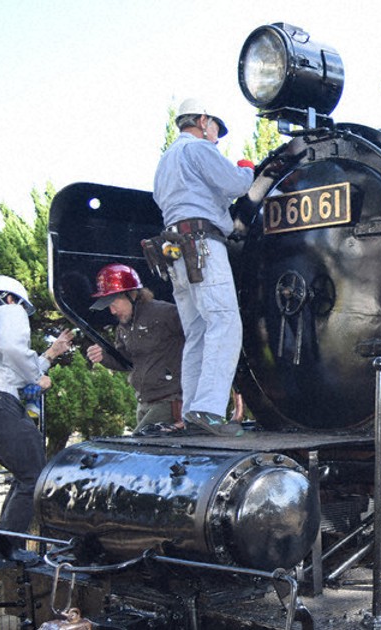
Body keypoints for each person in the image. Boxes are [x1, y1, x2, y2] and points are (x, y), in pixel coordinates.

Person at [153, 98, 254, 436]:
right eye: (215, 129)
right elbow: (236, 185)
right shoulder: (197, 150)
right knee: (224, 322)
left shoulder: (166, 161)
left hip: (176, 253)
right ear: (202, 119)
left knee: (196, 331)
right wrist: (246, 167)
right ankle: (209, 411)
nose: (216, 138)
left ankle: (194, 409)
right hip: (202, 246)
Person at [0, 275, 73, 541]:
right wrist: (36, 377)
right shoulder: (10, 310)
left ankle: (1, 549)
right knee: (36, 477)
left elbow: (8, 371)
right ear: (11, 298)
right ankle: (6, 550)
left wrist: (51, 354)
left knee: (25, 476)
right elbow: (13, 349)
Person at [85, 264, 185, 435]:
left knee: (139, 444)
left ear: (131, 295)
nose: (112, 311)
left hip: (170, 401)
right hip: (143, 402)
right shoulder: (123, 326)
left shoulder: (166, 313)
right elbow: (126, 361)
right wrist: (104, 356)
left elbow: (198, 340)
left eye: (114, 303)